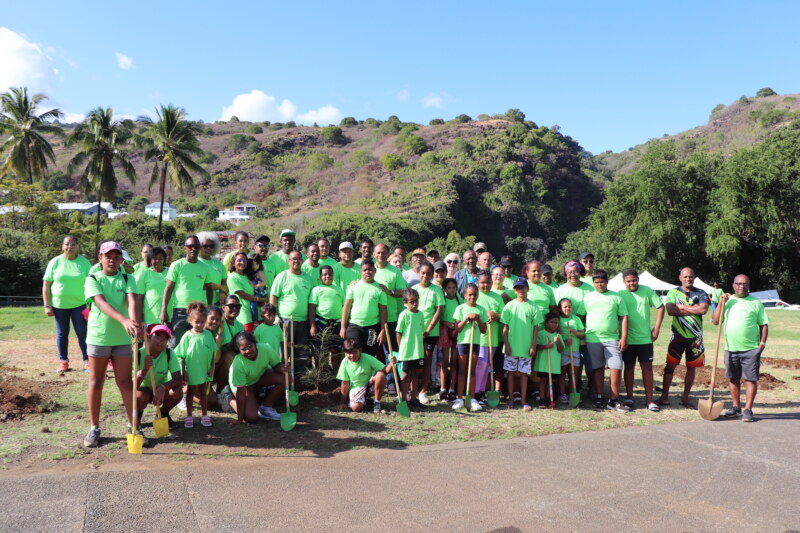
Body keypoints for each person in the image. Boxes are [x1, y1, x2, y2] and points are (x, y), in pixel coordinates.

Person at [82, 241, 143, 448]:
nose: (112, 260)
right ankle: (94, 427)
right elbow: (100, 303)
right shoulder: (92, 278)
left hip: (122, 340)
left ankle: (134, 424)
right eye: (108, 256)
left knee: (126, 383)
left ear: (121, 260)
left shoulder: (128, 277)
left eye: (116, 257)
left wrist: (133, 323)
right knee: (96, 381)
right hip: (99, 337)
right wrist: (124, 321)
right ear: (100, 258)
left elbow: (133, 301)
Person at [713, 275, 769, 422]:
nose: (741, 286)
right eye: (738, 284)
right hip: (730, 348)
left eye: (744, 284)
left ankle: (748, 410)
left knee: (750, 380)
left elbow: (764, 324)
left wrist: (761, 345)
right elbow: (715, 320)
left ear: (748, 285)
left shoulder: (756, 303)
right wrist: (721, 303)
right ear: (733, 285)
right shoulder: (728, 301)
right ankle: (736, 407)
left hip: (750, 348)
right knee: (733, 379)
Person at [658, 267, 710, 409]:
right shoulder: (673, 292)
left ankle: (685, 398)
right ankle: (664, 397)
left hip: (695, 338)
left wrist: (682, 307)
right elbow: (670, 310)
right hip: (677, 336)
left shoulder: (701, 293)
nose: (688, 279)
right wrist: (693, 308)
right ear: (680, 277)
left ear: (694, 277)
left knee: (691, 368)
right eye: (685, 276)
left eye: (690, 277)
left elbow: (703, 310)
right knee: (670, 366)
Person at [43, 235, 92, 373]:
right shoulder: (55, 262)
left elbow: (91, 283)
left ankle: (87, 362)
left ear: (77, 246)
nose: (70, 247)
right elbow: (46, 284)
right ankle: (63, 362)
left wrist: (91, 304)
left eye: (73, 244)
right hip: (59, 306)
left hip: (80, 305)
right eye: (67, 244)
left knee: (82, 333)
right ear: (62, 246)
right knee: (62, 333)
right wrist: (47, 305)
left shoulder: (84, 263)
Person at [618, 268, 665, 411]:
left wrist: (656, 328)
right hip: (628, 339)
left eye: (634, 280)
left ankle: (650, 401)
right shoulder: (620, 294)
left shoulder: (647, 290)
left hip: (645, 339)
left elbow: (661, 306)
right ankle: (630, 398)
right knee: (629, 367)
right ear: (624, 282)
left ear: (638, 279)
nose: (632, 283)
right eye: (628, 281)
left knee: (647, 369)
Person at [583, 270, 629, 411]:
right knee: (598, 368)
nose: (599, 285)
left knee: (616, 367)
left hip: (612, 339)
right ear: (593, 283)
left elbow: (624, 317)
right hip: (593, 338)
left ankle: (614, 399)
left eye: (602, 282)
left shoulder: (616, 297)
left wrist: (623, 337)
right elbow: (580, 315)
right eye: (596, 282)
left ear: (607, 281)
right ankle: (599, 397)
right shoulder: (588, 297)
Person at [160, 235, 212, 348]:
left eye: (196, 246)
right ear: (185, 248)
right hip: (180, 310)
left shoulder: (204, 267)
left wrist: (209, 308)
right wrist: (163, 310)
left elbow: (209, 289)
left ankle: (189, 366)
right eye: (190, 246)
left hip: (198, 311)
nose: (193, 248)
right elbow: (168, 289)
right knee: (175, 342)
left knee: (195, 343)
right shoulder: (177, 265)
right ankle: (171, 365)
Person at [226, 331, 289, 423]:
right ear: (239, 350)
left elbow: (276, 366)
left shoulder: (265, 348)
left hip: (258, 377)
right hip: (243, 386)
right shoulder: (238, 364)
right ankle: (227, 397)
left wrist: (283, 368)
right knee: (251, 417)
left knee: (287, 378)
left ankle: (266, 407)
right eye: (243, 349)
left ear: (255, 343)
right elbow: (241, 393)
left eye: (250, 346)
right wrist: (239, 419)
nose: (248, 351)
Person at [269, 250, 314, 370]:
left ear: (302, 261)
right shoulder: (282, 276)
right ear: (289, 261)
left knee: (301, 350)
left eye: (299, 258)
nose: (296, 261)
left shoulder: (308, 279)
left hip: (303, 321)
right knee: (285, 350)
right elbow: (273, 297)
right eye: (293, 259)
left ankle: (298, 377)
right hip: (285, 321)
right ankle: (284, 377)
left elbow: (311, 302)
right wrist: (275, 316)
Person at [174, 301, 216, 428]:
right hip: (191, 369)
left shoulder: (208, 334)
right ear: (190, 321)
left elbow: (213, 352)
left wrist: (212, 367)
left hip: (204, 369)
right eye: (196, 322)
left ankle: (204, 414)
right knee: (191, 392)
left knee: (204, 392)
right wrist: (184, 371)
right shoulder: (187, 336)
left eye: (202, 322)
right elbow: (181, 355)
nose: (199, 324)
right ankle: (189, 415)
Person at [501, 278, 540, 411]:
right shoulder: (509, 306)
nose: (520, 290)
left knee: (524, 374)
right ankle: (511, 399)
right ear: (514, 290)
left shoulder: (533, 306)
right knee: (511, 373)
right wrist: (506, 345)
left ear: (527, 288)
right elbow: (505, 328)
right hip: (511, 347)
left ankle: (523, 400)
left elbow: (536, 328)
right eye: (517, 288)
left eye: (523, 287)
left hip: (526, 347)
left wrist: (533, 345)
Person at [134, 324, 183, 432]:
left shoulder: (169, 354)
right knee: (139, 397)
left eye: (165, 339)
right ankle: (137, 416)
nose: (160, 341)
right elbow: (133, 385)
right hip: (143, 390)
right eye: (157, 336)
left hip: (161, 391)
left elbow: (178, 379)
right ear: (149, 337)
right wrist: (145, 369)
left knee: (177, 392)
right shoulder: (138, 354)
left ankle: (162, 413)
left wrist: (162, 387)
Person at [555, 261, 594, 390]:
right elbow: (555, 311)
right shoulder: (560, 290)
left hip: (585, 330)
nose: (573, 274)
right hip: (567, 333)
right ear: (565, 273)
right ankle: (570, 387)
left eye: (576, 271)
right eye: (570, 272)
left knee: (588, 362)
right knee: (567, 364)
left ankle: (591, 388)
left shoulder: (589, 288)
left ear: (581, 272)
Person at [340, 259, 387, 358]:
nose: (367, 272)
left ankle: (369, 374)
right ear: (360, 272)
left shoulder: (380, 288)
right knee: (353, 353)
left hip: (372, 328)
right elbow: (346, 307)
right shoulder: (353, 286)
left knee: (369, 356)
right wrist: (343, 327)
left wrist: (383, 330)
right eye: (364, 270)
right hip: (354, 326)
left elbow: (383, 311)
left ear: (375, 270)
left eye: (370, 270)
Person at [452, 283, 487, 411]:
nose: (473, 297)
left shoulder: (481, 310)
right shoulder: (460, 309)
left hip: (476, 342)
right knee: (462, 370)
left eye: (475, 294)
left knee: (472, 371)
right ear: (465, 296)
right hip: (463, 342)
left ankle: (472, 398)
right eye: (470, 295)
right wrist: (466, 318)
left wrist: (478, 320)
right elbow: (457, 329)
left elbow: (484, 331)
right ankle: (460, 398)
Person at [414, 262, 445, 403]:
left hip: (430, 333)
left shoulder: (437, 290)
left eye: (428, 273)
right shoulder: (413, 289)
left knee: (427, 361)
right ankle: (412, 390)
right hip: (415, 333)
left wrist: (428, 329)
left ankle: (423, 391)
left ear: (432, 275)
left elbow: (439, 311)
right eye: (423, 273)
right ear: (418, 273)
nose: (425, 276)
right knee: (413, 362)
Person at [337, 337, 390, 413]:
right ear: (344, 353)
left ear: (360, 350)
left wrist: (391, 363)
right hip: (357, 387)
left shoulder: (367, 358)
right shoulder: (344, 362)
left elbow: (386, 370)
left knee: (380, 375)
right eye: (349, 353)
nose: (352, 355)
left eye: (355, 352)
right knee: (356, 408)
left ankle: (377, 402)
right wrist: (342, 402)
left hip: (370, 385)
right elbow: (345, 383)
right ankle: (367, 402)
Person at [373, 244, 407, 355]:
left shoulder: (395, 271)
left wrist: (390, 292)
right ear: (374, 254)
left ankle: (392, 373)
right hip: (371, 319)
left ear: (388, 255)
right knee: (372, 353)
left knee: (391, 353)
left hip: (390, 318)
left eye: (383, 252)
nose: (380, 255)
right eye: (378, 252)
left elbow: (403, 292)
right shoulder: (368, 269)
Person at [396, 289, 426, 410]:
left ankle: (413, 399)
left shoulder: (421, 314)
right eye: (412, 302)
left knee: (415, 375)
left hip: (418, 350)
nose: (415, 304)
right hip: (407, 351)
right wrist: (401, 348)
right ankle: (404, 400)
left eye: (416, 301)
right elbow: (398, 332)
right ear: (405, 302)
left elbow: (421, 332)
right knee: (405, 375)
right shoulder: (404, 314)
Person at [477, 272, 505, 401]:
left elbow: (503, 316)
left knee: (487, 365)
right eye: (483, 282)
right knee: (480, 365)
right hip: (478, 338)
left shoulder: (497, 297)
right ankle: (476, 391)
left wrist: (495, 315)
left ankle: (482, 391)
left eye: (488, 282)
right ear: (478, 283)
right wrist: (485, 313)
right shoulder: (475, 295)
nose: (486, 285)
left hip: (492, 338)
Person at [438, 277, 463, 401]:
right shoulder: (443, 300)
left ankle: (452, 388)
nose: (451, 290)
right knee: (444, 362)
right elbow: (440, 316)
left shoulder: (460, 300)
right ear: (444, 289)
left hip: (457, 331)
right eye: (449, 288)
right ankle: (443, 388)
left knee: (454, 362)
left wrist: (456, 325)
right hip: (445, 330)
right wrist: (447, 323)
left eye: (453, 288)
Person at [227, 252, 265, 332]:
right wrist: (260, 300)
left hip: (257, 313)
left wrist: (263, 298)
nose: (242, 262)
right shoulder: (232, 277)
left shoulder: (248, 276)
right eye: (239, 260)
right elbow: (243, 295)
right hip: (245, 315)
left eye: (244, 260)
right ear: (233, 263)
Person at [135, 246, 172, 326]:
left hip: (168, 316)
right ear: (150, 260)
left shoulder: (170, 272)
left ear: (164, 260)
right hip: (150, 317)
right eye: (154, 258)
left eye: (160, 258)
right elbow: (140, 297)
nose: (158, 261)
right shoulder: (145, 274)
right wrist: (140, 317)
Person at [535, 312, 565, 408]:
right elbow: (536, 347)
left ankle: (549, 398)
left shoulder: (558, 336)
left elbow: (561, 350)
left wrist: (558, 341)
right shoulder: (541, 334)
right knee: (543, 380)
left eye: (556, 323)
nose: (554, 324)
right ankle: (542, 398)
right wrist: (546, 346)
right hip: (543, 363)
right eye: (552, 322)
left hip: (554, 363)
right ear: (547, 323)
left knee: (551, 381)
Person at [558, 298, 584, 404]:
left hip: (575, 351)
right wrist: (564, 341)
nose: (567, 308)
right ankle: (562, 393)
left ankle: (572, 392)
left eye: (569, 306)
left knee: (574, 373)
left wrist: (576, 333)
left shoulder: (576, 319)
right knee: (562, 373)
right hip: (563, 351)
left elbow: (583, 333)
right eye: (565, 307)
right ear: (560, 308)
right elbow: (555, 336)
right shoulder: (558, 320)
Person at [308, 265, 345, 343]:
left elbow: (344, 307)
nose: (328, 276)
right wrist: (312, 326)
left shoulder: (339, 290)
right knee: (322, 349)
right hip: (321, 324)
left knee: (336, 350)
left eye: (330, 274)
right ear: (320, 276)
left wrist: (344, 326)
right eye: (325, 274)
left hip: (336, 324)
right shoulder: (316, 289)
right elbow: (312, 308)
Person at [197, 231, 228, 305]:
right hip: (199, 305)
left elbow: (225, 282)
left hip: (216, 305)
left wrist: (223, 292)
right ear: (199, 246)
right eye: (205, 246)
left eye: (211, 246)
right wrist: (219, 287)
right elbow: (199, 285)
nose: (208, 248)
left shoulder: (219, 264)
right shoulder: (195, 262)